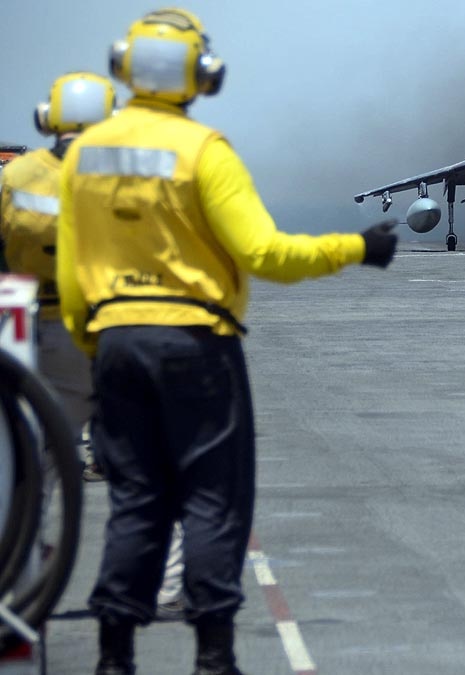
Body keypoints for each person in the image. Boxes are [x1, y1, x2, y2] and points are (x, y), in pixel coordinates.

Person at [56, 8, 399, 675]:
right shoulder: (202, 150)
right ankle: (214, 657)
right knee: (212, 499)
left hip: (116, 342)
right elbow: (265, 252)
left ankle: (113, 656)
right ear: (202, 73)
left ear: (122, 65)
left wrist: (95, 347)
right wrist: (358, 246)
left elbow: (71, 280)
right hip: (196, 345)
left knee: (134, 500)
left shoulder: (84, 155)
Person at [0, 72, 112, 478]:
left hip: (39, 318)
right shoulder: (126, 174)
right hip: (111, 318)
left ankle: (31, 534)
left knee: (41, 447)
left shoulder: (18, 175)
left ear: (47, 118)